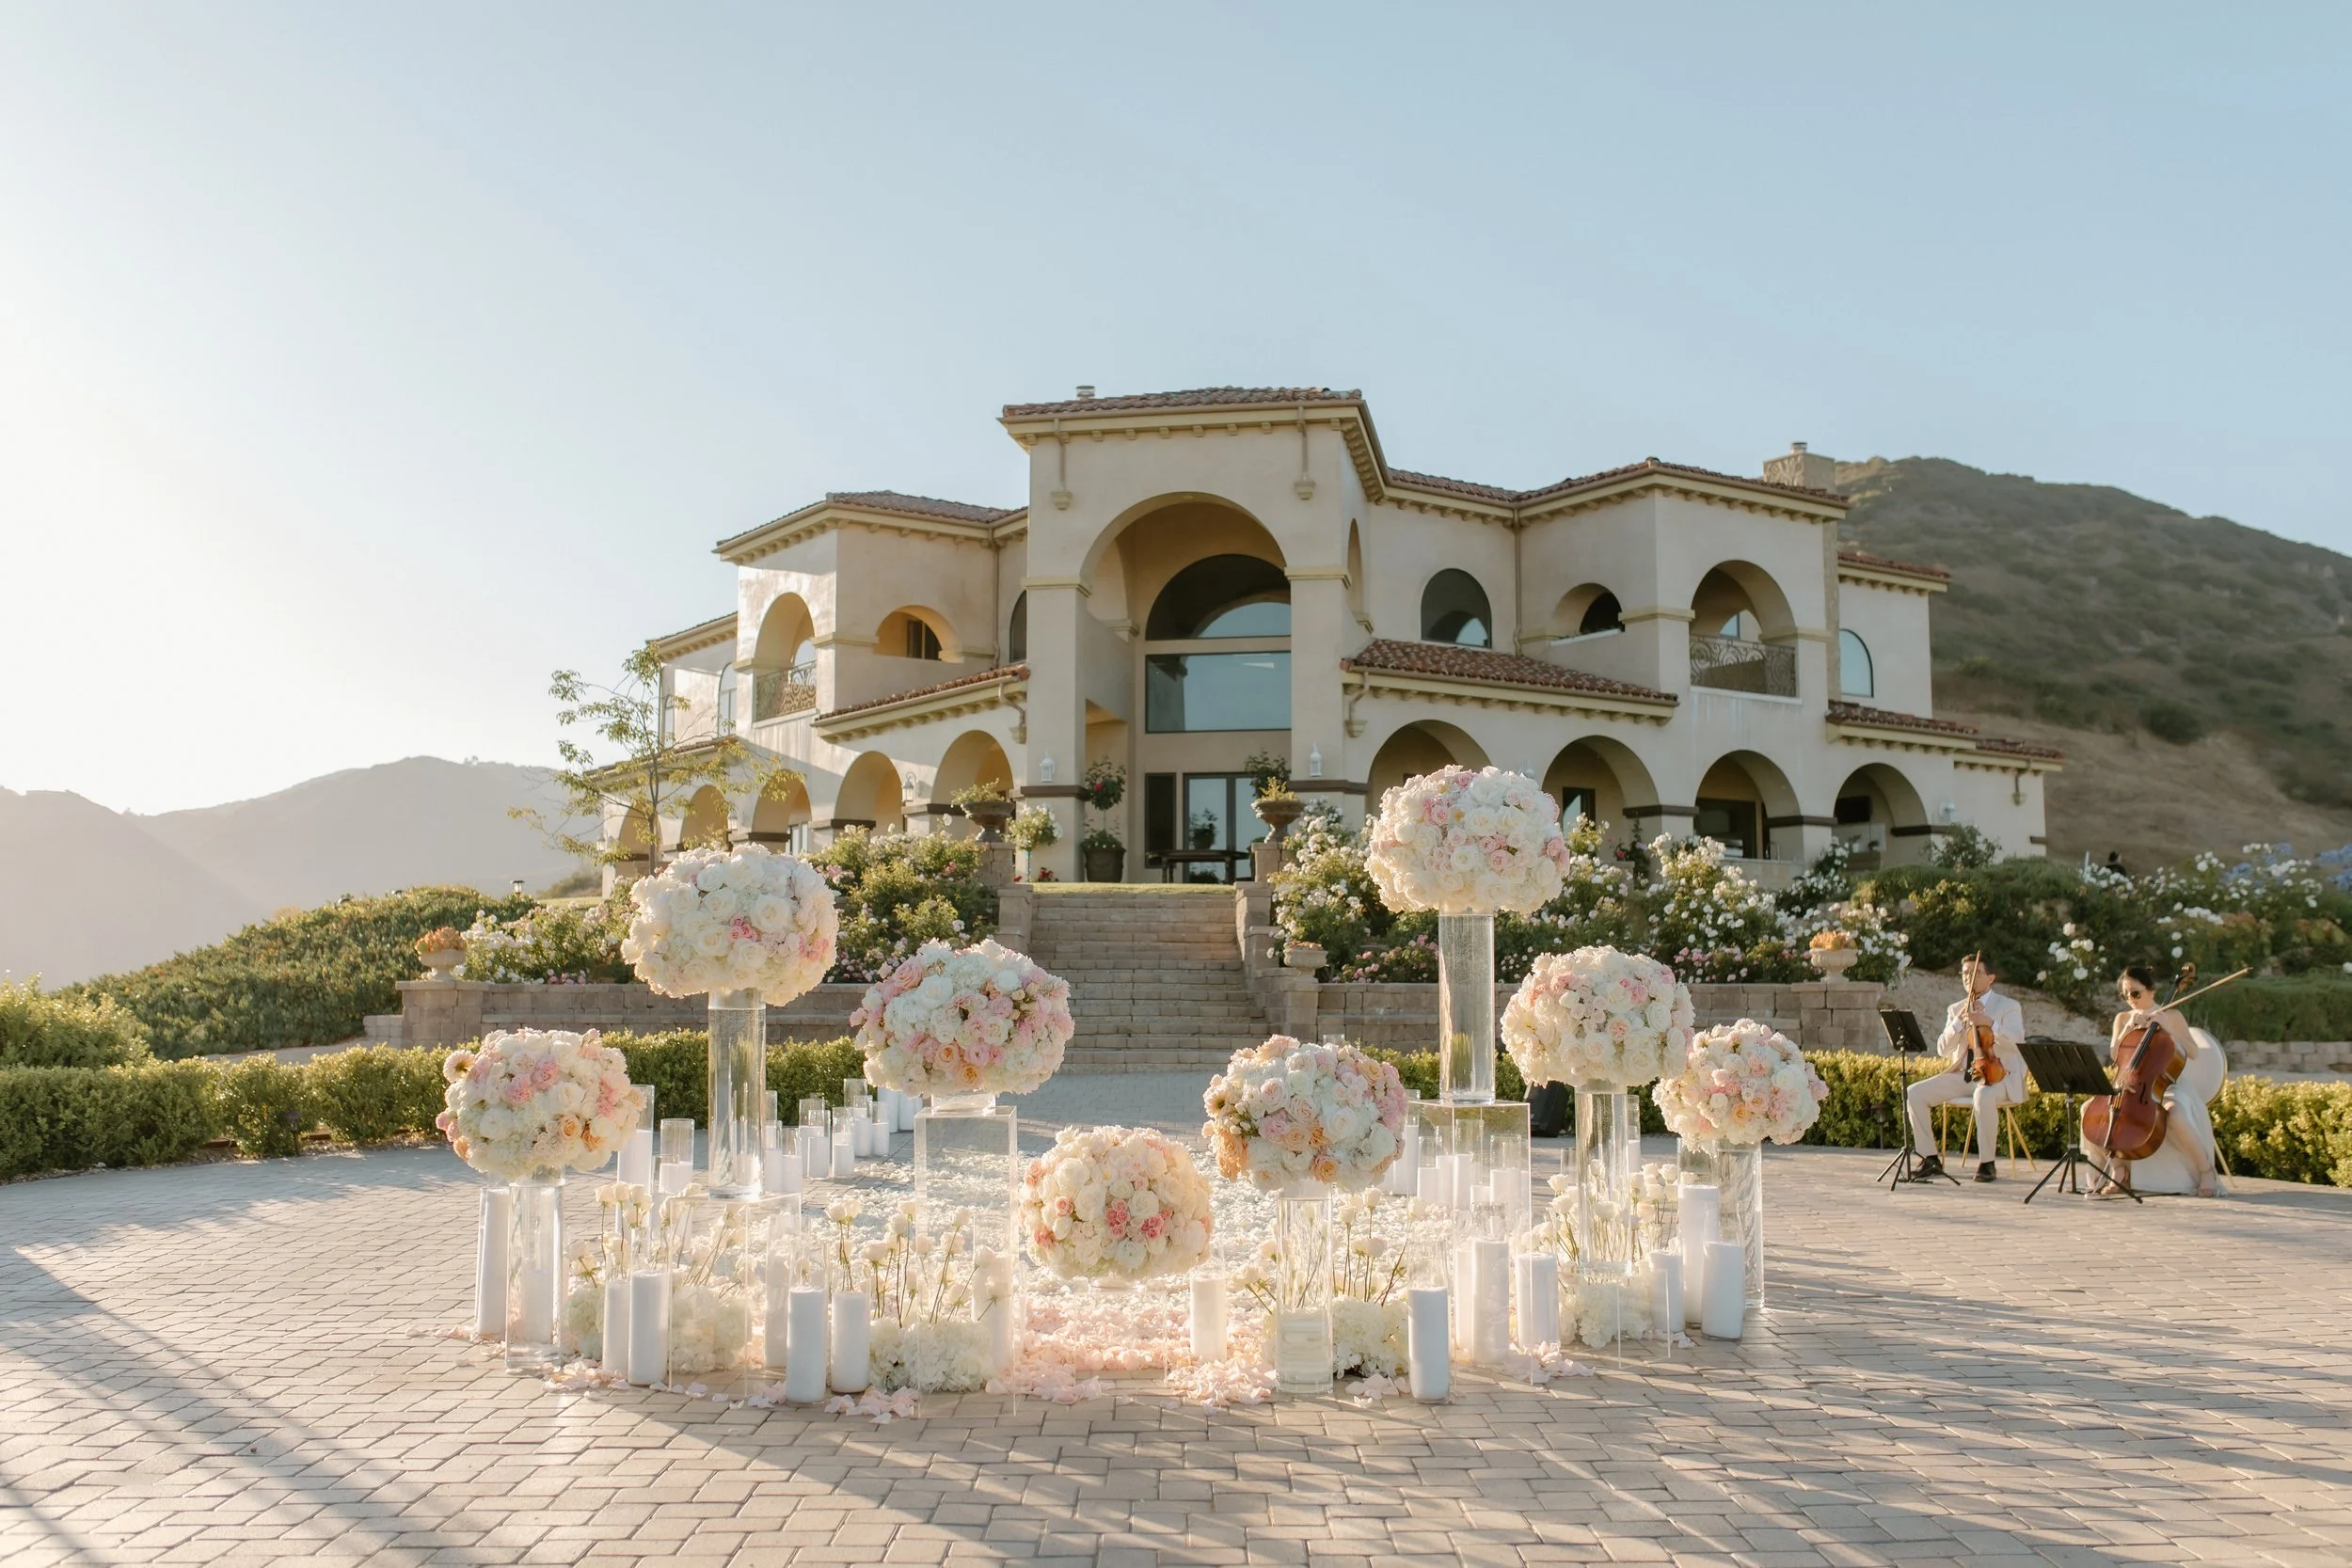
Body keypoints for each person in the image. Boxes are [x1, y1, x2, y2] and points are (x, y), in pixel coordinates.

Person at [2093, 964, 2219, 1199]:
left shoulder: (2172, 1016)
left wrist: (2169, 1029)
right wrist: (2128, 1029)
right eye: (2125, 995)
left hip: (2168, 1083)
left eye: (2135, 993)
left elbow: (2193, 1052)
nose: (2130, 999)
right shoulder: (2123, 1018)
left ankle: (2205, 1170)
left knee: (2176, 1114)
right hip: (2130, 1083)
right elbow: (2114, 1053)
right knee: (2091, 1113)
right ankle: (2119, 1170)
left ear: (2151, 990)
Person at [1906, 954, 2027, 1182]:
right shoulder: (1956, 1009)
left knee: (1983, 1094)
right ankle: (1930, 1159)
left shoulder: (2008, 1006)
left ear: (1991, 978)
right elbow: (1942, 1050)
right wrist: (1957, 1024)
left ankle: (1987, 1163)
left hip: (1998, 1077)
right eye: (1965, 973)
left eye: (1975, 973)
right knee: (1914, 1093)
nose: (1968, 977)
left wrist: (1991, 1023)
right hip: (1964, 1076)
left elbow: (2017, 1042)